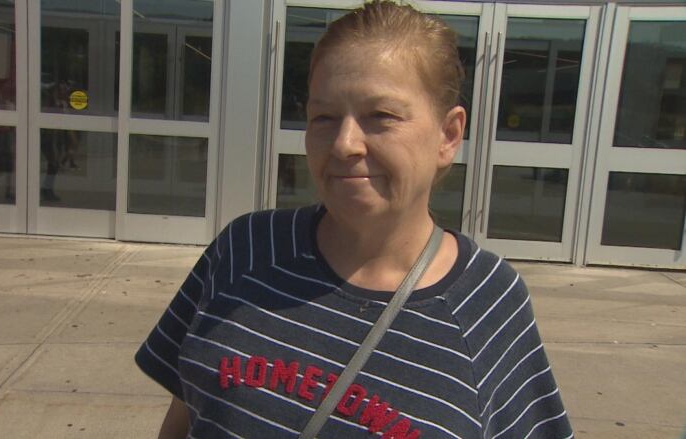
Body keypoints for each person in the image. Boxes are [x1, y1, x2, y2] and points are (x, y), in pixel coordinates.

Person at [136, 1, 572, 437]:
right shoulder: (244, 249)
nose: (344, 144)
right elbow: (185, 416)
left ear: (448, 135)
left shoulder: (486, 302)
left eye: (380, 116)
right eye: (324, 117)